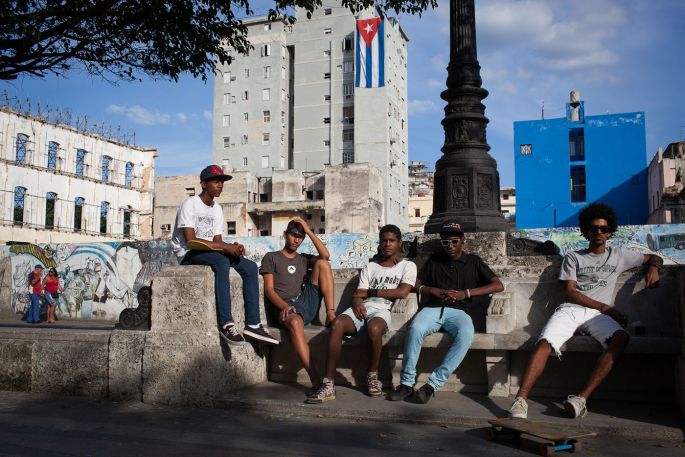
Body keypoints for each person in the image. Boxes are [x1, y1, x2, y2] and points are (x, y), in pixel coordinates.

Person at [508, 203, 663, 419]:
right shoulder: (574, 257)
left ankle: (580, 399)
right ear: (585, 231)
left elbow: (653, 257)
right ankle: (521, 400)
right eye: (593, 228)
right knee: (545, 342)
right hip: (572, 309)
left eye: (603, 228)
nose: (598, 232)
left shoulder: (620, 255)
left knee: (620, 338)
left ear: (610, 232)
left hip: (598, 317)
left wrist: (655, 269)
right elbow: (570, 293)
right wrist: (607, 308)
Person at [388, 220, 504, 404]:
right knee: (415, 328)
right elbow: (416, 283)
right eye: (445, 242)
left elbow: (498, 285)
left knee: (466, 334)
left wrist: (464, 294)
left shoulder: (473, 261)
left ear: (462, 241)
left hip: (459, 312)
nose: (450, 246)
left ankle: (431, 385)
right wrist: (429, 289)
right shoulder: (434, 260)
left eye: (454, 241)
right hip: (432, 308)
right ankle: (407, 383)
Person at [306, 225, 417, 404]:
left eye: (392, 240)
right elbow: (359, 294)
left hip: (383, 310)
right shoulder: (370, 266)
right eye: (384, 240)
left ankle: (372, 376)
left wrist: (371, 293)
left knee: (374, 329)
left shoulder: (407, 266)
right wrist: (358, 301)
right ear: (380, 243)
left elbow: (402, 292)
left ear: (399, 243)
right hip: (362, 308)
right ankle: (328, 384)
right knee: (337, 324)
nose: (387, 244)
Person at [171, 165, 278, 346]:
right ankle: (226, 323)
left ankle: (253, 324)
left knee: (250, 266)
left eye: (222, 182)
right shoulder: (190, 204)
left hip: (208, 251)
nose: (220, 185)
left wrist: (231, 248)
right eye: (216, 181)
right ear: (203, 184)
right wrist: (224, 248)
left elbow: (217, 241)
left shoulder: (217, 209)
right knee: (221, 262)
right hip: (188, 253)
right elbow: (190, 240)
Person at [260, 218, 336, 398]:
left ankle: (331, 313)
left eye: (300, 237)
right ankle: (317, 381)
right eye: (293, 236)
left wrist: (308, 230)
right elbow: (269, 290)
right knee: (295, 323)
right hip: (285, 306)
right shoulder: (271, 258)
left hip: (305, 302)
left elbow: (325, 256)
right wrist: (285, 306)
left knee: (323, 264)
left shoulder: (303, 259)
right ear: (285, 235)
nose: (296, 240)